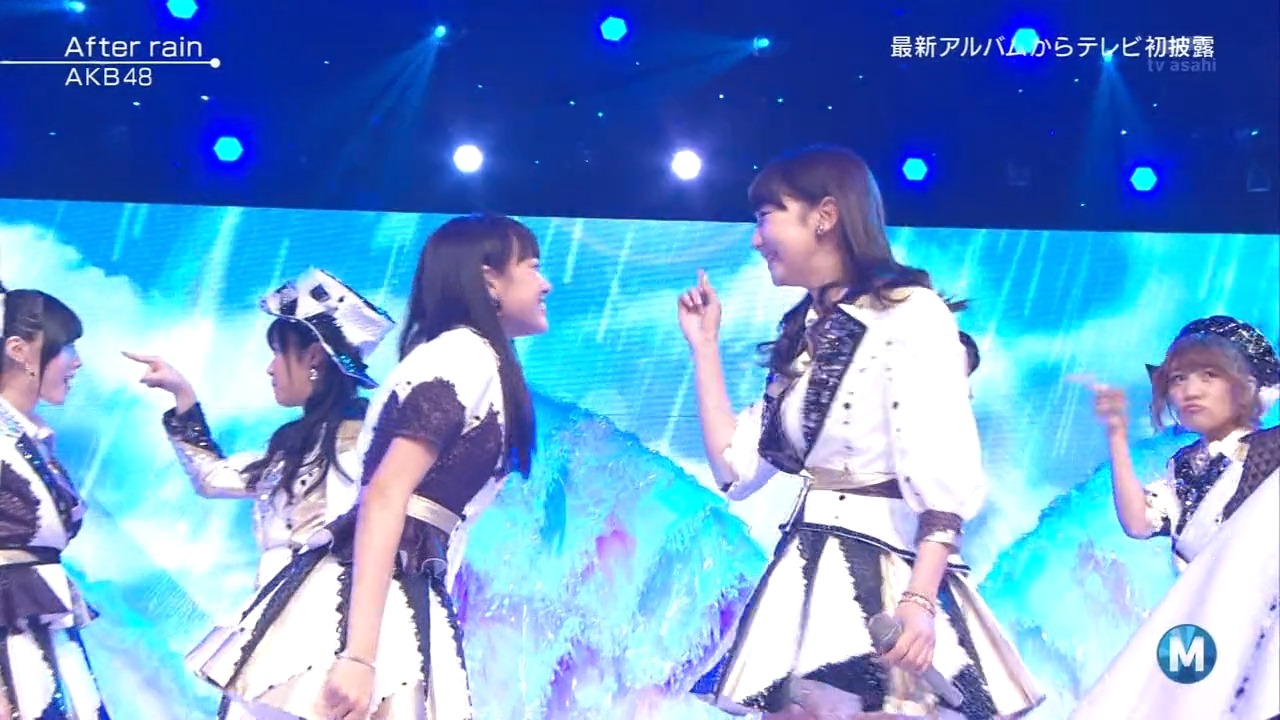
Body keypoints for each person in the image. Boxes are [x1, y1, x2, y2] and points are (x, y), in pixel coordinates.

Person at [678, 145, 1042, 719]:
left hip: (888, 569)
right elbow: (737, 469)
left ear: (824, 215)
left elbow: (944, 464)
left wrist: (919, 598)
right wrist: (704, 348)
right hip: (807, 564)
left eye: (766, 217)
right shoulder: (805, 331)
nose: (755, 239)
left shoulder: (910, 311)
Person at [188, 214, 552, 720]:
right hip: (363, 604)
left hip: (390, 592)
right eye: (532, 266)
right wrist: (359, 655)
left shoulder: (473, 358)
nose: (545, 283)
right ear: (489, 279)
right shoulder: (461, 356)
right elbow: (385, 495)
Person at [124, 269, 395, 589]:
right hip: (280, 596)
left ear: (313, 357)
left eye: (278, 352)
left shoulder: (356, 445)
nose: (270, 368)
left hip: (314, 599)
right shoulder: (299, 445)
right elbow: (214, 478)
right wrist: (182, 393)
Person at [1071, 316, 1279, 720]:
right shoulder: (1183, 464)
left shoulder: (1273, 449)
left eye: (1209, 375)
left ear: (1249, 384)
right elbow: (1138, 523)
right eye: (1178, 379)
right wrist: (1116, 435)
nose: (1189, 390)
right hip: (1200, 624)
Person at [0, 283, 110, 719]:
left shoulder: (31, 435)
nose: (76, 361)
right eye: (66, 347)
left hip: (44, 637)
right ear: (20, 351)